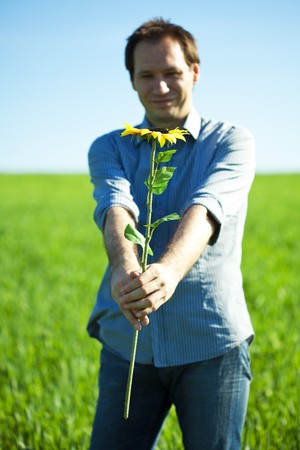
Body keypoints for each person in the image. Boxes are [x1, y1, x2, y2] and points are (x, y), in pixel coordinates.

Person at [87, 18, 255, 450]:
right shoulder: (111, 147)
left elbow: (206, 207)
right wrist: (126, 267)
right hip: (129, 345)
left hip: (210, 343)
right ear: (132, 81)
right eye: (147, 76)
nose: (160, 87)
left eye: (172, 73)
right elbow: (115, 205)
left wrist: (168, 270)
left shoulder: (231, 142)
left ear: (194, 72)